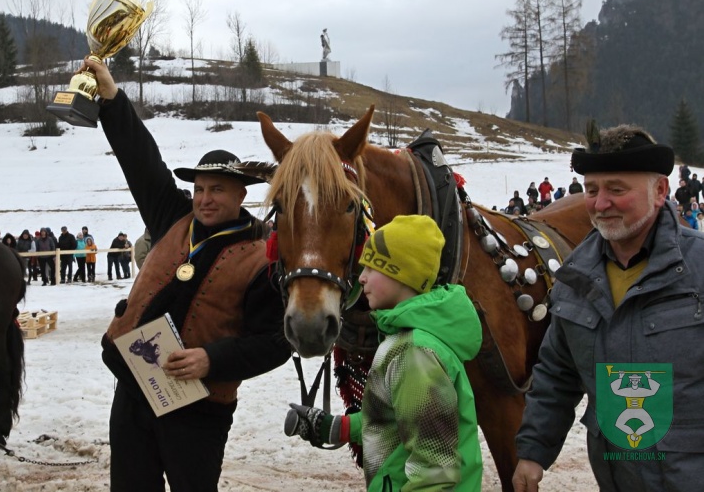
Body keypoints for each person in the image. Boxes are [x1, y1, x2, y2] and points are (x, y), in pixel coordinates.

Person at [84, 57, 291, 492]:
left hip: (198, 407)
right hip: (135, 389)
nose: (204, 199)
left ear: (240, 194)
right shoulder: (171, 216)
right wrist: (111, 98)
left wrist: (211, 359)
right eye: (199, 188)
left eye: (216, 189)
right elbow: (140, 160)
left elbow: (274, 343)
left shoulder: (263, 256)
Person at [512, 124, 704, 492]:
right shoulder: (575, 279)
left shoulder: (699, 269)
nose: (600, 204)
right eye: (592, 190)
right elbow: (556, 374)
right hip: (617, 476)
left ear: (660, 191)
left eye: (617, 190)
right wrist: (534, 451)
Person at [285, 215, 483, 491]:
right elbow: (397, 417)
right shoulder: (405, 338)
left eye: (372, 267)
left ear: (401, 273)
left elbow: (435, 473)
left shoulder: (415, 354)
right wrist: (337, 427)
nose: (361, 277)